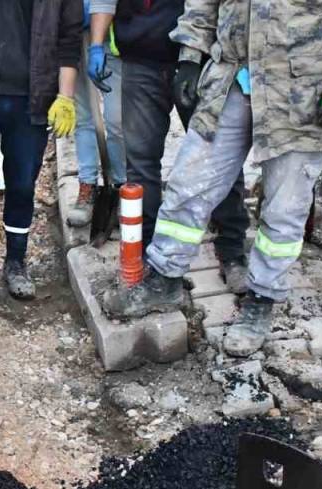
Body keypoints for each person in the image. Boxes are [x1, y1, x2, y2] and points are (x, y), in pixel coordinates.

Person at [101, 0, 322, 356]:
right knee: (190, 181)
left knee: (285, 206)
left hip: (299, 89)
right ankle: (164, 277)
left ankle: (261, 301)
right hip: (232, 78)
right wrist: (190, 56)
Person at [89, 0, 251, 293]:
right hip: (140, 60)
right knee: (140, 162)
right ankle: (149, 251)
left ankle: (232, 250)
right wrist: (96, 45)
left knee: (218, 158)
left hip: (201, 63)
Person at [0, 0, 82, 301]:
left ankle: (16, 261)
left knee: (23, 185)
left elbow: (69, 39)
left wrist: (65, 96)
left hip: (31, 100)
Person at [68, 0, 125, 226]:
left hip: (108, 36)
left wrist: (97, 44)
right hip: (71, 35)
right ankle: (87, 185)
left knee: (117, 120)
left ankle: (121, 185)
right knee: (83, 117)